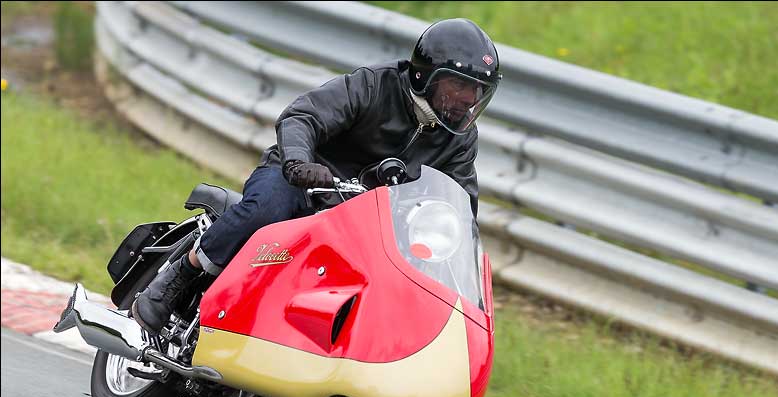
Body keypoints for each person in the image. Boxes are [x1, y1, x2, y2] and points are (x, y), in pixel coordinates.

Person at [131, 18, 502, 335]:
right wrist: (298, 162)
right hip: (304, 180)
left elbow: (459, 205)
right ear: (426, 76)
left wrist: (456, 251)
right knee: (268, 209)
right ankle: (180, 274)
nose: (468, 98)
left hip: (368, 216)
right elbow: (302, 116)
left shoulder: (460, 140)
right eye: (459, 85)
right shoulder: (374, 86)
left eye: (477, 90)